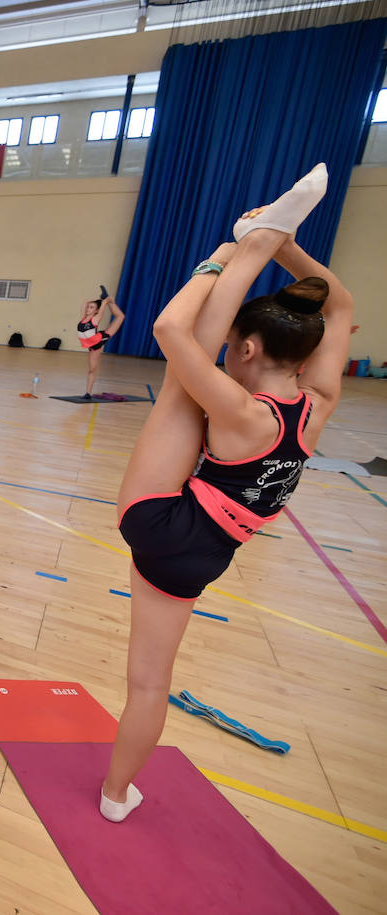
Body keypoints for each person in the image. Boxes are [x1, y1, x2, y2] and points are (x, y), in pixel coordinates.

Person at [102, 164, 351, 823]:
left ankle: (254, 241)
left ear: (247, 347)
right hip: (209, 551)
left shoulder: (244, 411)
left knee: (186, 378)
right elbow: (342, 312)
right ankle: (115, 794)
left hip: (160, 522)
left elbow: (169, 330)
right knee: (151, 683)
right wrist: (284, 239)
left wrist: (226, 255)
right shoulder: (316, 404)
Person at [77, 290, 125, 399]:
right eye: (88, 307)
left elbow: (101, 309)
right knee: (91, 369)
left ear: (96, 311)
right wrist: (96, 300)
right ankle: (88, 393)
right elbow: (84, 302)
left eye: (91, 307)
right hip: (92, 344)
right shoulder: (83, 318)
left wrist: (106, 301)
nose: (88, 309)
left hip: (99, 342)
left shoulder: (95, 319)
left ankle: (88, 393)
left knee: (120, 317)